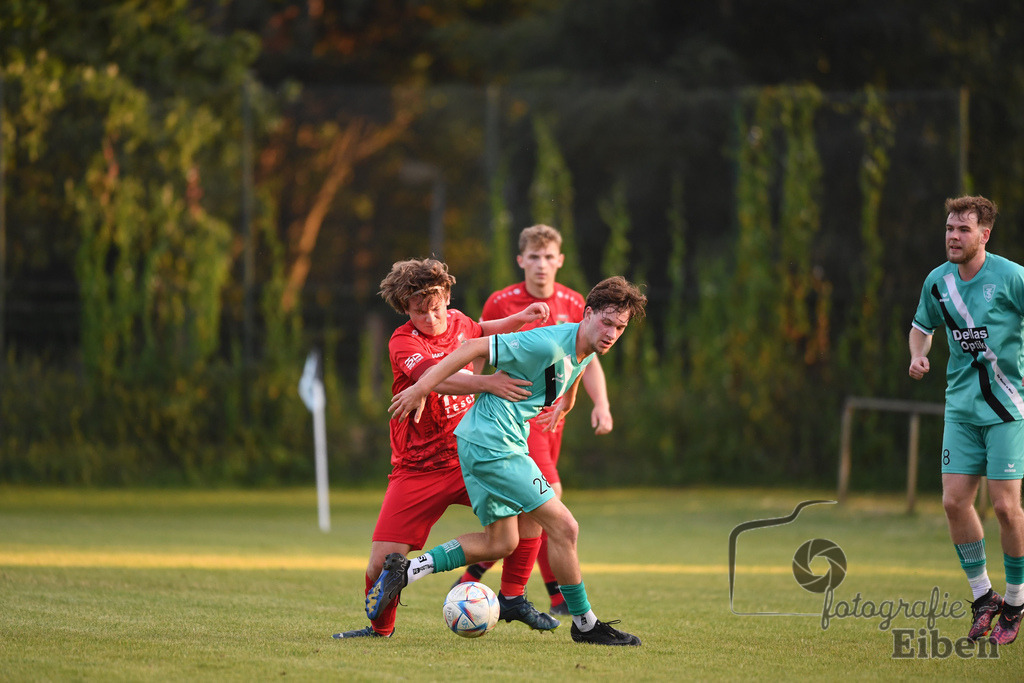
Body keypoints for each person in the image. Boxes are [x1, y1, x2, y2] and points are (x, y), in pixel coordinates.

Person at [372, 276, 647, 646]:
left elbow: (576, 368)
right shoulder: (547, 342)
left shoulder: (583, 348)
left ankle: (404, 573)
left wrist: (569, 399)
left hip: (490, 440)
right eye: (607, 322)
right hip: (492, 444)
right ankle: (585, 624)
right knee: (565, 526)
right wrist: (421, 388)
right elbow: (472, 346)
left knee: (500, 542)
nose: (612, 333)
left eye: (620, 327)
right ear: (587, 314)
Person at [333, 258, 559, 639]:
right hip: (417, 467)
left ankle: (514, 597)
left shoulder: (458, 321)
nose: (431, 318)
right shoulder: (403, 341)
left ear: (447, 298)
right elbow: (435, 379)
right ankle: (379, 629)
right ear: (405, 309)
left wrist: (520, 317)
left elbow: (483, 330)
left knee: (533, 509)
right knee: (378, 566)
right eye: (420, 311)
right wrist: (488, 383)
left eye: (436, 308)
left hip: (470, 456)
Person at [453, 224, 613, 616]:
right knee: (550, 501)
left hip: (549, 418)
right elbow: (477, 347)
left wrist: (597, 403)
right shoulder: (502, 302)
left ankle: (497, 584)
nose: (542, 265)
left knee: (534, 513)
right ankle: (546, 597)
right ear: (521, 260)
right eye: (534, 257)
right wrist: (475, 387)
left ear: (560, 261)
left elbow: (585, 359)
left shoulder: (577, 302)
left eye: (549, 257)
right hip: (513, 414)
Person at [909, 195, 1024, 646]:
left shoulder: (1011, 277)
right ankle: (984, 599)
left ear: (984, 235)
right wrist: (918, 355)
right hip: (961, 409)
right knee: (954, 502)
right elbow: (922, 327)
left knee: (1004, 507)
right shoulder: (938, 283)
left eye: (963, 230)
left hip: (1007, 408)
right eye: (949, 229)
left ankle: (1015, 599)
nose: (953, 237)